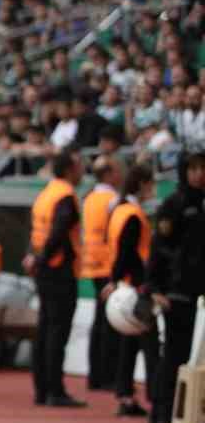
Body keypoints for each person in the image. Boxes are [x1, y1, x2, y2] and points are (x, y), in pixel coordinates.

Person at [144, 147, 205, 423]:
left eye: (202, 168)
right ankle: (160, 416)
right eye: (193, 168)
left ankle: (190, 417)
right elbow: (158, 250)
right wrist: (154, 288)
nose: (199, 174)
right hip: (176, 294)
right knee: (173, 357)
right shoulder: (173, 204)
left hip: (200, 297)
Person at [25, 150, 86, 407]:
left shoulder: (45, 193)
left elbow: (37, 231)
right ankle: (54, 390)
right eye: (80, 165)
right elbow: (59, 232)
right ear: (70, 168)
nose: (83, 170)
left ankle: (42, 389)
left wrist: (34, 257)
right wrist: (41, 258)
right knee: (57, 331)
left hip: (44, 268)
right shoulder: (65, 196)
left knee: (45, 327)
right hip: (58, 270)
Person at [105, 165, 159, 419]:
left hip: (125, 283)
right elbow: (129, 252)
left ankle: (125, 395)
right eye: (151, 183)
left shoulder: (119, 210)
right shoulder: (134, 215)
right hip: (137, 286)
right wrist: (116, 280)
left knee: (129, 343)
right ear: (142, 184)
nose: (154, 189)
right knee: (149, 342)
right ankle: (156, 397)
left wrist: (114, 279)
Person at [80, 155, 123, 391]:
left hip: (92, 263)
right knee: (109, 322)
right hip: (108, 264)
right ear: (108, 174)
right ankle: (106, 375)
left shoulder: (89, 198)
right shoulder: (112, 199)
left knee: (99, 322)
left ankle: (95, 375)